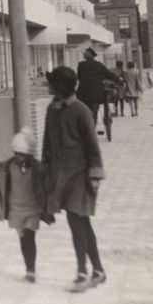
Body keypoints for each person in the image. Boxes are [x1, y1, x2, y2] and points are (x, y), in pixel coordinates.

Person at [42, 65, 107, 290]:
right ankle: (97, 270)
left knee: (76, 219)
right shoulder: (52, 109)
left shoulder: (81, 111)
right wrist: (45, 174)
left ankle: (83, 272)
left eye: (51, 82)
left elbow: (92, 146)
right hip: (61, 176)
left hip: (81, 174)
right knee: (80, 221)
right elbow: (47, 145)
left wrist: (95, 175)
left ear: (59, 86)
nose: (47, 85)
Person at [0, 127, 52, 283]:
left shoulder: (38, 168)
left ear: (30, 154)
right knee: (22, 238)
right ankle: (28, 266)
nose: (17, 157)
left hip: (32, 209)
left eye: (21, 154)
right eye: (16, 153)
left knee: (30, 236)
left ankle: (31, 269)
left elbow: (49, 183)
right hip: (15, 209)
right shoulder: (8, 166)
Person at [76, 47, 117, 141]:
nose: (84, 53)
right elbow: (109, 74)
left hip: (83, 95)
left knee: (84, 114)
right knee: (94, 114)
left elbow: (78, 77)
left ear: (90, 54)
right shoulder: (99, 65)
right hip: (95, 94)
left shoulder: (81, 65)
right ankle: (91, 133)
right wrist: (119, 80)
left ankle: (84, 133)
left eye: (85, 52)